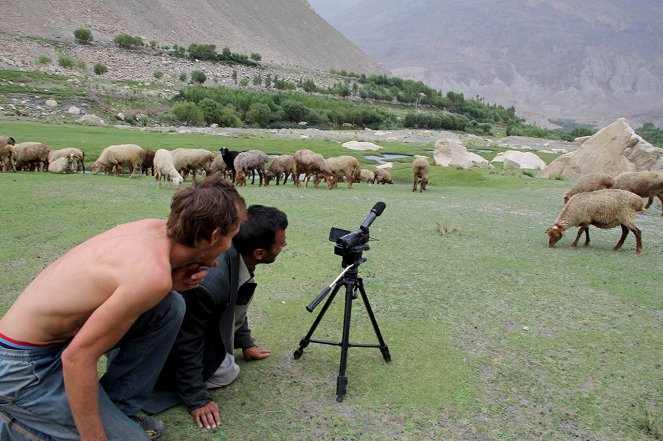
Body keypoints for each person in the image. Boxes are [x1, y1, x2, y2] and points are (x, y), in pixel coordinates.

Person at [0, 175, 247, 441]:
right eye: (231, 237)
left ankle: (118, 410)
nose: (229, 245)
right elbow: (77, 359)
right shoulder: (152, 276)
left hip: (46, 346)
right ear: (213, 236)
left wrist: (173, 283)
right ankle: (12, 418)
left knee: (170, 306)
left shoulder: (152, 230)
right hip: (21, 368)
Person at [144, 205, 288, 430]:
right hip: (160, 348)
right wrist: (196, 398)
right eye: (280, 243)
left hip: (191, 328)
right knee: (228, 371)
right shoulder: (211, 284)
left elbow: (238, 299)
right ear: (259, 253)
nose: (284, 245)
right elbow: (187, 341)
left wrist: (245, 342)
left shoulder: (238, 255)